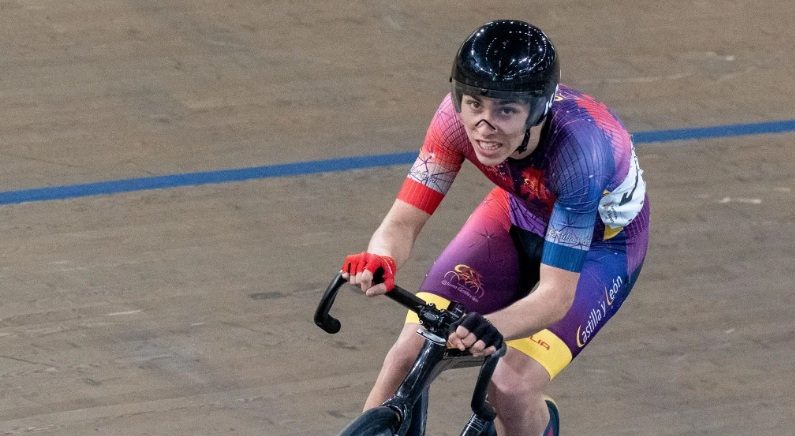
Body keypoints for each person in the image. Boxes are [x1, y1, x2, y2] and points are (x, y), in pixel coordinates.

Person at [341, 19, 649, 435]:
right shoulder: (452, 120)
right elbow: (401, 221)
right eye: (474, 104)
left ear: (538, 108)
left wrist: (493, 326)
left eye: (506, 109)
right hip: (518, 210)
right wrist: (381, 257)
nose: (484, 125)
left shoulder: (581, 152)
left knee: (509, 385)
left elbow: (556, 296)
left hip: (600, 248)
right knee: (408, 353)